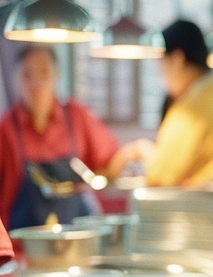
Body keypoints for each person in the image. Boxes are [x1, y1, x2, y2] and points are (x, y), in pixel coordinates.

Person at [0, 46, 140, 228]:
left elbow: (111, 162)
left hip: (78, 240)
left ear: (56, 75)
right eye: (27, 75)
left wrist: (135, 150)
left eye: (44, 73)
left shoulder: (76, 117)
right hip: (22, 247)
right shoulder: (5, 131)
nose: (36, 83)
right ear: (16, 79)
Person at [135, 20, 213, 187]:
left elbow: (161, 176)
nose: (160, 75)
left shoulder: (192, 106)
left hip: (204, 206)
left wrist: (142, 151)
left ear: (177, 59)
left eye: (160, 64)